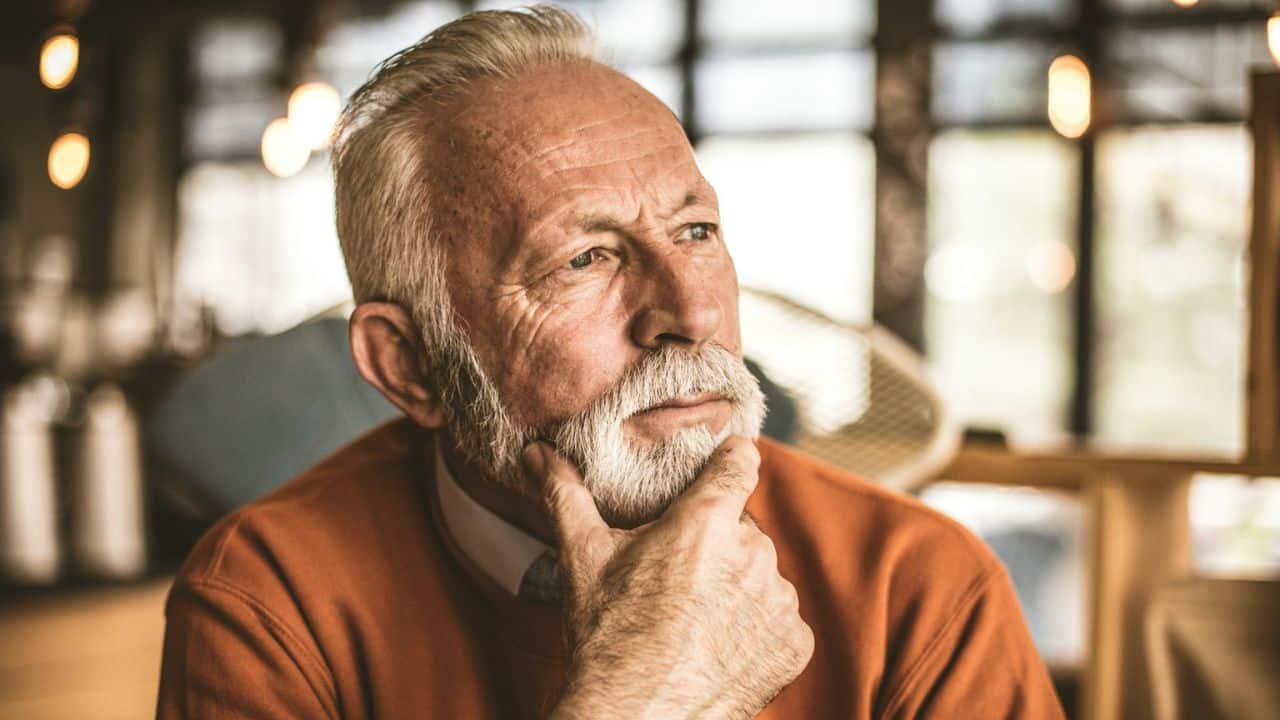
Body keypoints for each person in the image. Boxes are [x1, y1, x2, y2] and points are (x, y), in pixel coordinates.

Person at [156, 6, 1065, 719]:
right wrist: (643, 699)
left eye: (697, 231)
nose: (694, 312)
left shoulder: (917, 585)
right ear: (410, 368)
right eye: (583, 258)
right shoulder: (270, 603)